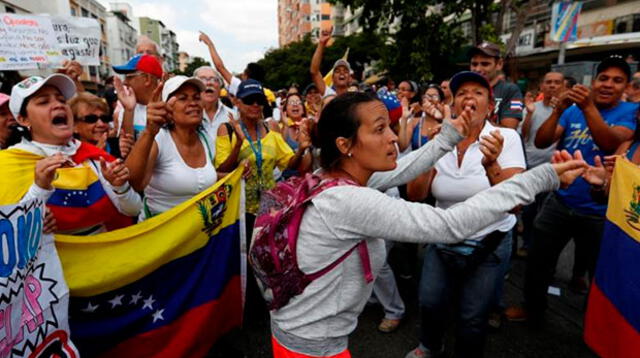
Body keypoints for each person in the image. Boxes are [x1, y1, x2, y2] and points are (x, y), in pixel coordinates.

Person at [269, 90, 587, 358]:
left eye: (390, 127)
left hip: (295, 330)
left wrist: (448, 136)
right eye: (380, 129)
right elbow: (450, 224)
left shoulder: (329, 178)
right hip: (311, 347)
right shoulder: (350, 201)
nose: (394, 137)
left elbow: (403, 167)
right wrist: (545, 177)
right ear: (344, 144)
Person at [506, 55, 638, 323]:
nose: (608, 85)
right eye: (603, 78)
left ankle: (594, 325)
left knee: (600, 273)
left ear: (625, 87)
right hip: (561, 201)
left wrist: (587, 107)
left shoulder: (630, 112)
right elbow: (543, 142)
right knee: (539, 260)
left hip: (602, 211)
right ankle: (533, 308)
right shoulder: (574, 109)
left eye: (617, 80)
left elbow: (609, 143)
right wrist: (558, 111)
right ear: (594, 80)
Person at [404, 71, 525, 358]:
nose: (469, 97)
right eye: (462, 93)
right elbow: (416, 194)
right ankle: (430, 345)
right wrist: (433, 150)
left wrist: (491, 164)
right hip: (442, 236)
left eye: (478, 92)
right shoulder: (442, 138)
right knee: (430, 302)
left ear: (490, 106)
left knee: (472, 316)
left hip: (488, 242)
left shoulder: (505, 137)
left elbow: (516, 204)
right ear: (453, 103)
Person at [4, 74, 141, 235]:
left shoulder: (94, 157)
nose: (58, 105)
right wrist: (39, 188)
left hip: (103, 254)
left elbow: (133, 210)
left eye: (62, 100)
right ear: (23, 119)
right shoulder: (8, 164)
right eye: (43, 102)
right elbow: (11, 232)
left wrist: (120, 186)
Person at [124, 76, 222, 220]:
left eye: (196, 98)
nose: (193, 103)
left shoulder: (206, 139)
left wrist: (237, 174)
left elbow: (199, 177)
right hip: (161, 234)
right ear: (167, 107)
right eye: (183, 98)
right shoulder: (158, 139)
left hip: (198, 235)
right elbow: (136, 182)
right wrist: (149, 132)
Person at [215, 79, 312, 218]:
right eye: (249, 100)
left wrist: (302, 149)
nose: (255, 105)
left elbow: (289, 163)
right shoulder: (227, 129)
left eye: (259, 100)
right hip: (239, 210)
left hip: (269, 207)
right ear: (237, 102)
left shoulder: (270, 128)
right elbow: (221, 171)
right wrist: (238, 144)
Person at [517, 71, 565, 256]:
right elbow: (524, 135)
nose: (552, 86)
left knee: (548, 215)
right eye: (548, 82)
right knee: (528, 212)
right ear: (542, 87)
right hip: (531, 167)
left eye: (557, 82)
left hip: (556, 171)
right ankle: (527, 243)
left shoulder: (570, 110)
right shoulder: (532, 107)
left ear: (563, 86)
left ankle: (542, 250)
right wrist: (528, 114)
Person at [469, 42, 523, 129]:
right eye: (474, 64)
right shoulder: (466, 90)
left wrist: (472, 121)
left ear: (499, 64)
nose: (478, 69)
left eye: (485, 64)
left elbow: (509, 129)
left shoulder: (511, 90)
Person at [198, 31, 265, 98]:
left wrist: (210, 44)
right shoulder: (263, 91)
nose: (241, 75)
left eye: (244, 73)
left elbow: (220, 67)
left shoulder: (240, 87)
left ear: (246, 77)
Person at [112, 54, 164, 139]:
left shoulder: (170, 108)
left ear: (147, 79)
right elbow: (129, 147)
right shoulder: (126, 111)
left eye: (129, 77)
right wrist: (129, 110)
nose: (125, 82)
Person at [398, 84, 445, 152]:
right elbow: (402, 147)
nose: (430, 99)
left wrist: (442, 120)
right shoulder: (414, 122)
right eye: (427, 96)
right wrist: (404, 119)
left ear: (441, 102)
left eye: (434, 96)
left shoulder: (445, 123)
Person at [193, 66, 233, 145]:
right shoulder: (186, 116)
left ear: (220, 86)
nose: (209, 83)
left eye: (214, 79)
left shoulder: (233, 116)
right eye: (202, 79)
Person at [310, 27, 352, 98]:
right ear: (332, 78)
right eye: (337, 71)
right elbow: (314, 72)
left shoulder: (356, 99)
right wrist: (321, 43)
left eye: (345, 71)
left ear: (350, 78)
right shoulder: (329, 94)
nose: (342, 73)